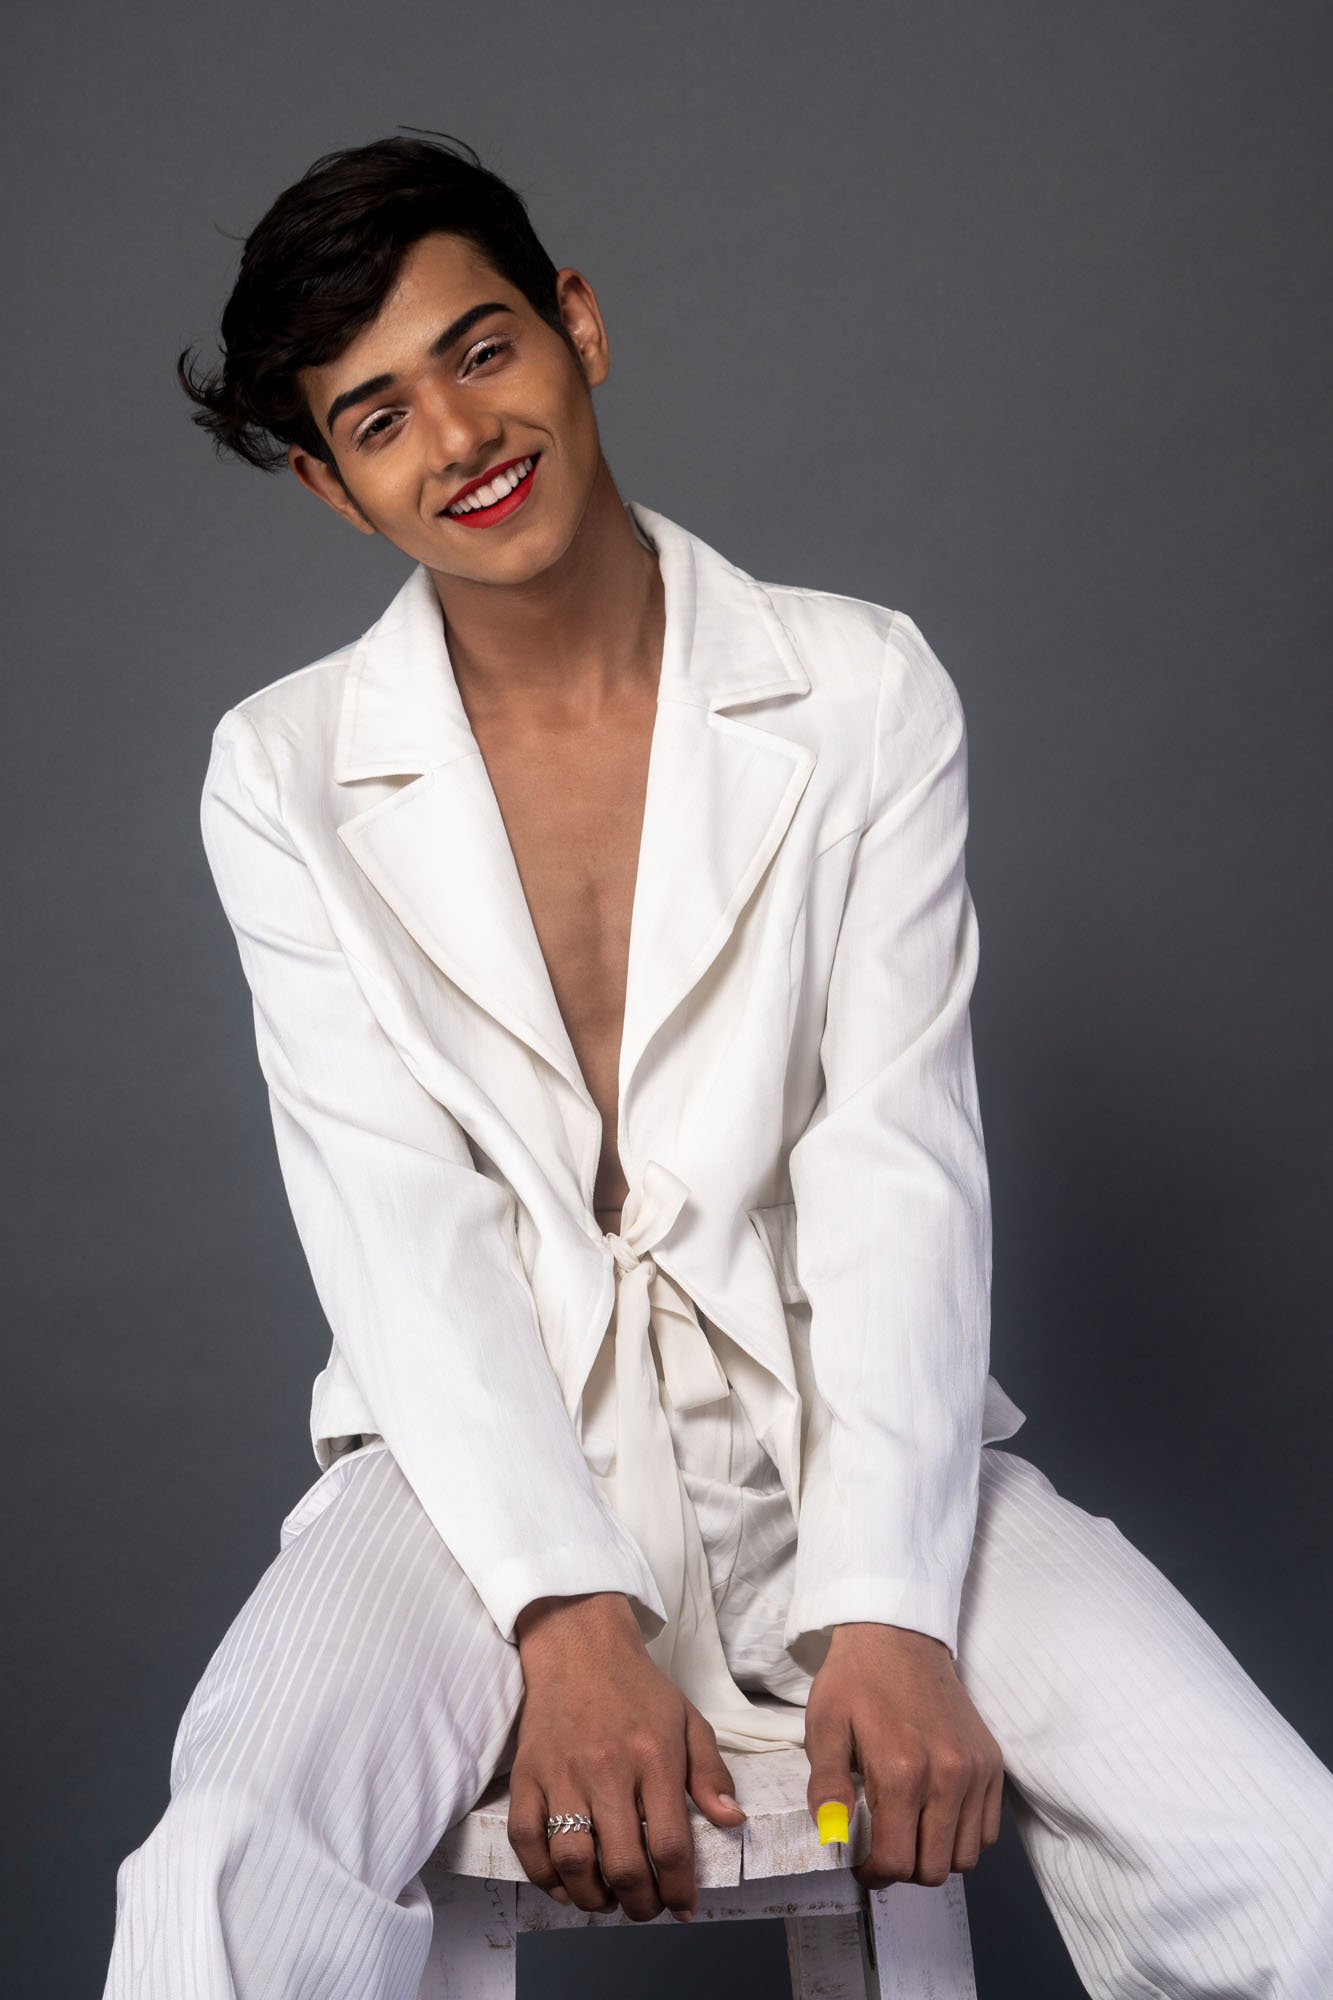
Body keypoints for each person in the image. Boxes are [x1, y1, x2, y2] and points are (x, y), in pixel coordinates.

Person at [103, 131, 1333, 1998]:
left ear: (577, 326)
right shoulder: (279, 774)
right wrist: (562, 1608)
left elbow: (895, 1157)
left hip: (847, 1429)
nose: (459, 435)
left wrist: (888, 1602)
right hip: (466, 1477)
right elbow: (394, 1220)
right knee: (224, 1874)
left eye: (481, 350)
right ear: (331, 488)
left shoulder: (862, 689)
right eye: (377, 418)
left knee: (1289, 1864)